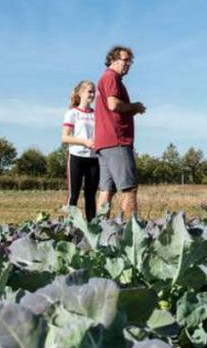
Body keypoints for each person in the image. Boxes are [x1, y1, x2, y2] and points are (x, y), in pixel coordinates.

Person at [94, 45, 146, 219]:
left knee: (106, 190)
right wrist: (135, 107)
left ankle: (99, 231)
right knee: (130, 189)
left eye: (130, 61)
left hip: (104, 142)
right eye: (125, 60)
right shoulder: (111, 78)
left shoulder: (106, 78)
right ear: (113, 60)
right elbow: (114, 105)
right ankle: (131, 233)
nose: (128, 64)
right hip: (117, 140)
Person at [62, 80, 99, 221]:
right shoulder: (72, 113)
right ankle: (68, 228)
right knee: (73, 195)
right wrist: (84, 142)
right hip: (76, 157)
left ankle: (92, 228)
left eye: (93, 91)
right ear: (80, 93)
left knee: (91, 196)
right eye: (89, 91)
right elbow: (65, 137)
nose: (92, 94)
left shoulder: (96, 114)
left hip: (94, 159)